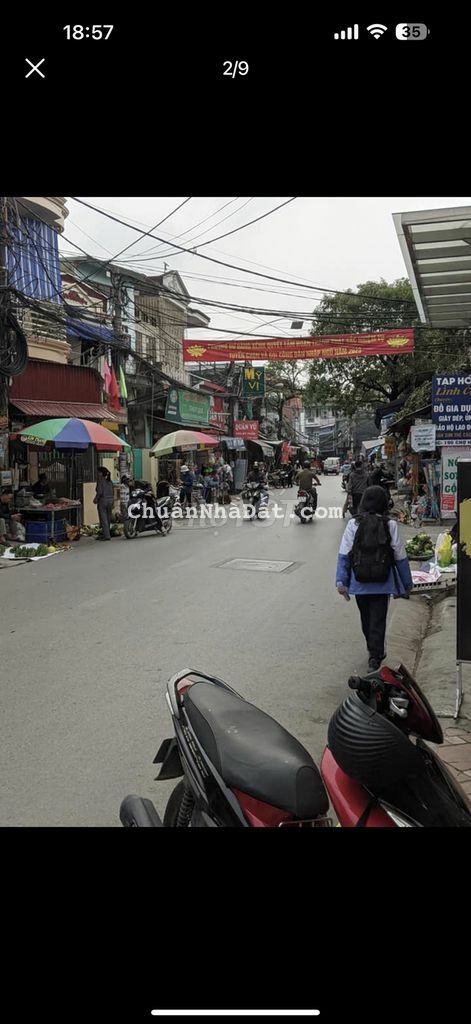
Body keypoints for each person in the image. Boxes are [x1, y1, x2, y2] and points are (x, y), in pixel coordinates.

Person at [335, 485, 413, 671]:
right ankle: (375, 655)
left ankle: (373, 649)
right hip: (383, 581)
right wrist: (407, 583)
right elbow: (400, 556)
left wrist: (341, 581)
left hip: (359, 581)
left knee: (366, 617)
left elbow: (344, 555)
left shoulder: (353, 524)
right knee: (378, 618)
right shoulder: (390, 524)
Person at [94, 467, 114, 540]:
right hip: (110, 500)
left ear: (101, 473)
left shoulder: (100, 481)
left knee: (103, 519)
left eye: (98, 472)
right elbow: (113, 491)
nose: (97, 474)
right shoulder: (110, 481)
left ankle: (106, 536)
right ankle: (106, 533)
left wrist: (96, 499)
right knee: (108, 519)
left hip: (103, 500)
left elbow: (100, 492)